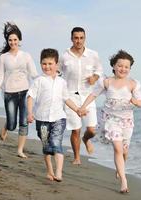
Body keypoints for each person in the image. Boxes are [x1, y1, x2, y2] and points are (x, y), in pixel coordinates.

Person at [79, 50, 141, 193]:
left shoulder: (133, 84)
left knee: (124, 151)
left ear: (130, 68)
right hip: (110, 119)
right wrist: (83, 106)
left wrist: (135, 101)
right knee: (117, 148)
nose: (123, 69)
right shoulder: (107, 81)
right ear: (114, 66)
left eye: (126, 67)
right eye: (120, 65)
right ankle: (124, 181)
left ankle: (120, 168)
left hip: (126, 121)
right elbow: (93, 94)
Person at [27, 48, 81, 181]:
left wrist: (77, 110)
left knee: (56, 143)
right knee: (46, 147)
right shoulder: (39, 81)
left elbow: (67, 99)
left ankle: (59, 172)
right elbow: (30, 97)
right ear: (41, 64)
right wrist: (29, 113)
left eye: (50, 64)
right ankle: (50, 171)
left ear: (56, 64)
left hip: (59, 118)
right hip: (42, 119)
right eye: (44, 64)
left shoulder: (62, 82)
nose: (47, 67)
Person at [0, 22, 38, 158]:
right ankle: (6, 126)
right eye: (10, 40)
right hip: (9, 93)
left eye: (15, 39)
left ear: (19, 40)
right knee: (12, 125)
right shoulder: (3, 58)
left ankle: (20, 150)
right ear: (7, 41)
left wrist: (45, 81)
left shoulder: (26, 56)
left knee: (24, 122)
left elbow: (34, 74)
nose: (13, 42)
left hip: (25, 92)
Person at [59, 26, 103, 165]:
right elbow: (58, 72)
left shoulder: (93, 55)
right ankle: (77, 158)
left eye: (81, 38)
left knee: (91, 129)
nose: (78, 41)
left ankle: (86, 139)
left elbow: (100, 70)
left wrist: (95, 78)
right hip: (71, 96)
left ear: (85, 38)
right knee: (75, 130)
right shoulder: (64, 55)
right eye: (76, 38)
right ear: (72, 39)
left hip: (87, 96)